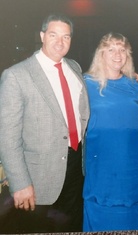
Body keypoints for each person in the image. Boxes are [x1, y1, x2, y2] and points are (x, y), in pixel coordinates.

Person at [0, 14, 90, 233]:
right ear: (42, 36)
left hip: (76, 167)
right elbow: (6, 135)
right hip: (38, 177)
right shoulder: (16, 75)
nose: (60, 42)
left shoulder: (74, 67)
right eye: (53, 35)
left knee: (72, 226)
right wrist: (20, 183)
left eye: (66, 37)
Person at [82, 32, 138, 232]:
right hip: (103, 165)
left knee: (134, 216)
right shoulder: (85, 83)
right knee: (101, 215)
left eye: (122, 50)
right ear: (101, 54)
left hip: (132, 165)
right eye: (110, 49)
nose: (117, 54)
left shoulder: (133, 84)